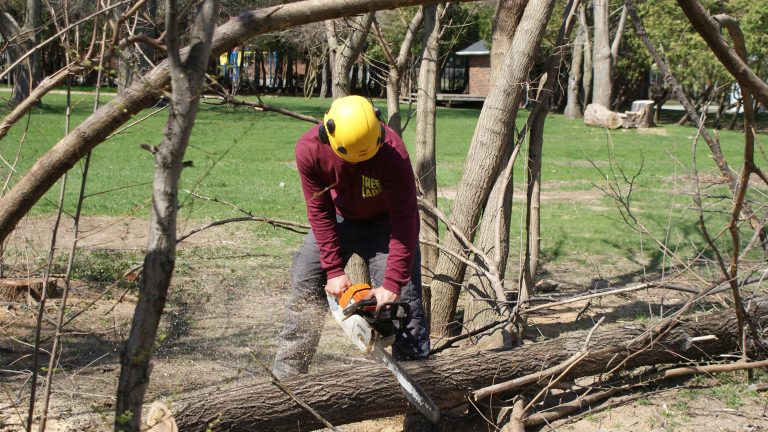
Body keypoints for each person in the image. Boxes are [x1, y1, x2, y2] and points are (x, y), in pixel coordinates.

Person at [272, 95, 430, 379]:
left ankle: (417, 387)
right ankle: (288, 384)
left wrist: (392, 283)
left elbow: (405, 220)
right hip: (337, 220)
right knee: (304, 289)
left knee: (405, 303)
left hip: (385, 226)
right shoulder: (309, 149)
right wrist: (333, 269)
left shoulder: (392, 151)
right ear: (327, 133)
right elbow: (319, 211)